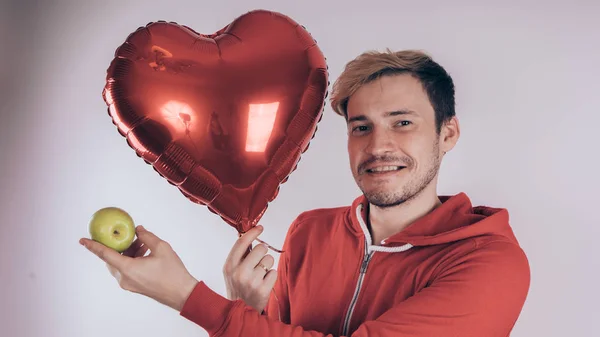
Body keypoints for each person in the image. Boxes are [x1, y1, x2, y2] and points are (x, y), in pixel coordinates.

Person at [80, 49, 531, 336]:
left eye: (403, 122)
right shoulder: (309, 231)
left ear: (447, 134)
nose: (377, 146)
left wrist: (187, 296)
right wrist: (251, 313)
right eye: (361, 127)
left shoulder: (489, 264)